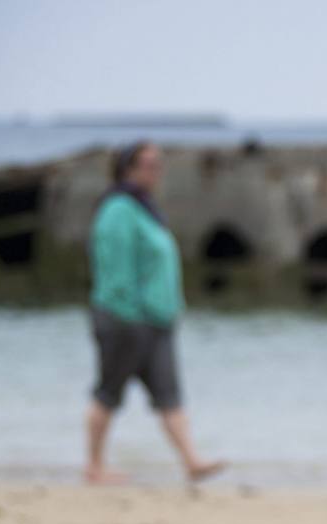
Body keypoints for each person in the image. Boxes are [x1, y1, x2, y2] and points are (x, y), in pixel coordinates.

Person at [85, 141, 224, 484]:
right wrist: (130, 314)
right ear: (127, 169)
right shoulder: (118, 208)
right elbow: (115, 271)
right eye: (147, 164)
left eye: (158, 164)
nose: (155, 171)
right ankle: (94, 466)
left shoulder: (144, 208)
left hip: (158, 321)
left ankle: (192, 461)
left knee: (169, 395)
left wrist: (165, 310)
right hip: (126, 320)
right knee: (108, 393)